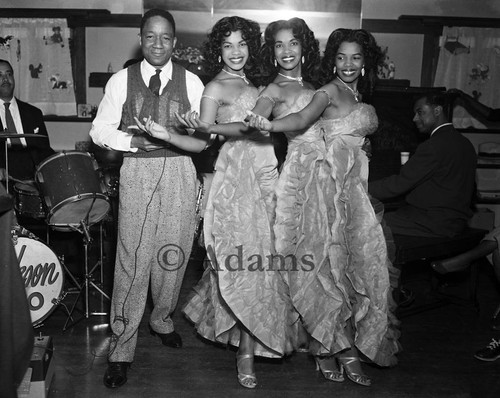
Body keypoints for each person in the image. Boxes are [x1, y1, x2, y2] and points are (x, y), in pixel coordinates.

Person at [145, 16, 294, 389]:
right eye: (227, 45)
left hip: (268, 177)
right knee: (246, 265)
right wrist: (170, 135)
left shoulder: (258, 83)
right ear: (218, 50)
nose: (236, 52)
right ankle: (245, 350)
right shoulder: (215, 86)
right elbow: (202, 141)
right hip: (237, 184)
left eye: (242, 44)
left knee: (269, 264)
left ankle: (262, 335)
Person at [246, 28, 400, 386]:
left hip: (356, 191)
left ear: (365, 63)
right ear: (332, 59)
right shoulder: (327, 91)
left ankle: (343, 344)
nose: (347, 64)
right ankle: (328, 347)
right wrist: (268, 123)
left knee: (355, 269)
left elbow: (355, 139)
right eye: (341, 57)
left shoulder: (356, 92)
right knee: (327, 269)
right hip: (328, 192)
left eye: (355, 57)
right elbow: (301, 121)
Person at [89, 9, 206, 389]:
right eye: (151, 36)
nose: (158, 44)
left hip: (180, 171)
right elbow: (99, 130)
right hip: (137, 171)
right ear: (141, 39)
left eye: (166, 37)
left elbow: (205, 138)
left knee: (172, 256)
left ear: (175, 42)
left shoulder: (193, 82)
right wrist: (132, 142)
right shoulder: (121, 81)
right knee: (132, 261)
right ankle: (121, 348)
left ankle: (161, 319)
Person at [369, 92, 477, 238]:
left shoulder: (433, 146)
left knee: (365, 224)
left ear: (437, 110)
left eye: (420, 112)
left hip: (432, 222)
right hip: (456, 221)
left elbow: (398, 184)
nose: (415, 119)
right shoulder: (466, 143)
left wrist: (361, 188)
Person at [0, 59, 55, 186]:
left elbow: (44, 151)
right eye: (0, 75)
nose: (5, 79)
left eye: (9, 74)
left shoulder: (34, 113)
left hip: (33, 182)